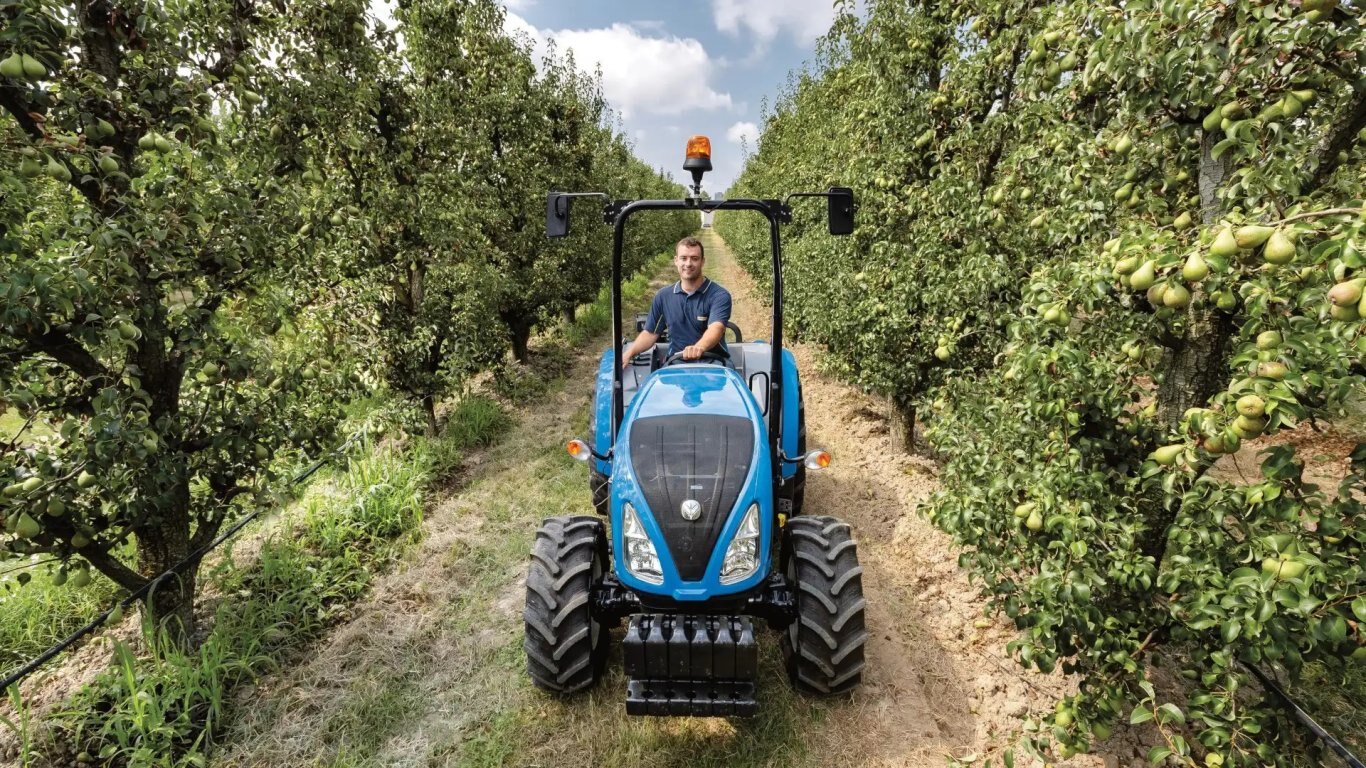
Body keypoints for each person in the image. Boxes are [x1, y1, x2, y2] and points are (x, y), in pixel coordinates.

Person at [621, 236, 733, 367]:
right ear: (676, 261)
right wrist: (629, 353)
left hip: (715, 363)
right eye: (684, 258)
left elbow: (716, 328)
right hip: (676, 362)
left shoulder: (718, 295)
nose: (688, 264)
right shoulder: (663, 296)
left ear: (702, 262)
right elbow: (650, 333)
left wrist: (698, 348)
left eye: (694, 258)